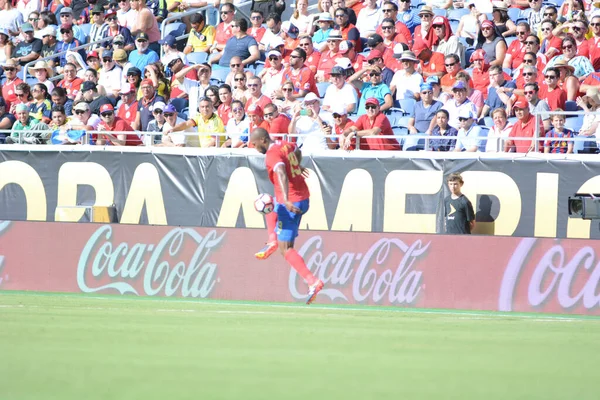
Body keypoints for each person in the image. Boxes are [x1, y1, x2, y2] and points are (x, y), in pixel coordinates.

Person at [250, 127, 324, 305]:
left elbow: (281, 172)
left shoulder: (271, 155)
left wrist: (286, 199)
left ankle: (313, 281)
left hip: (292, 201)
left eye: (254, 144)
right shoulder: (284, 145)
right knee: (270, 203)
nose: (253, 147)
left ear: (262, 140)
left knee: (286, 248)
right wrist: (297, 166)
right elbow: (297, 150)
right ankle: (271, 240)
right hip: (302, 196)